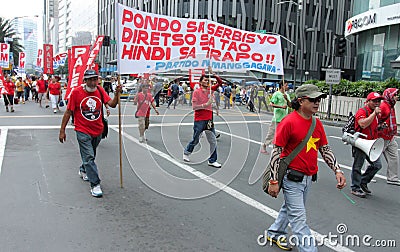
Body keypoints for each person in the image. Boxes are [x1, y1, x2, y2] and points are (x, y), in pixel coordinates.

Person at [266, 84, 346, 251]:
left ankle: (274, 233)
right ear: (301, 101)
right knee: (299, 220)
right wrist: (274, 180)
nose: (317, 103)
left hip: (308, 178)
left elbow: (325, 149)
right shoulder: (288, 122)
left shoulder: (317, 123)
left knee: (290, 208)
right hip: (291, 179)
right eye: (313, 100)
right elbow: (276, 152)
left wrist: (337, 170)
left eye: (319, 100)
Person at [58, 70, 122, 197]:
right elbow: (68, 112)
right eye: (90, 80)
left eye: (95, 79)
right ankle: (95, 184)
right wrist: (62, 131)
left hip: (98, 130)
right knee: (89, 157)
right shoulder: (76, 93)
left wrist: (117, 94)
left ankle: (83, 169)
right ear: (85, 81)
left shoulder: (99, 90)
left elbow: (113, 104)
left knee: (90, 155)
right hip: (82, 130)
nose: (93, 83)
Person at [183, 67, 223, 168]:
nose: (208, 81)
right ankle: (187, 152)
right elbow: (194, 107)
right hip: (199, 120)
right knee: (196, 139)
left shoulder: (211, 90)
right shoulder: (196, 92)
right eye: (205, 80)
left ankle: (212, 160)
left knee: (213, 141)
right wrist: (206, 104)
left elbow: (220, 82)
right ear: (200, 82)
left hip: (209, 120)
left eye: (209, 80)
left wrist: (212, 73)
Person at [351, 92, 383, 198]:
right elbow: (362, 124)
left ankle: (362, 182)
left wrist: (380, 127)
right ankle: (355, 188)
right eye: (374, 101)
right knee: (357, 166)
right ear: (368, 101)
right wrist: (374, 114)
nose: (377, 103)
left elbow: (372, 127)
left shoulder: (376, 113)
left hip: (371, 143)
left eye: (378, 101)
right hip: (360, 142)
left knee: (377, 165)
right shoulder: (362, 111)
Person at [261, 80, 291, 154]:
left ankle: (279, 149)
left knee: (283, 135)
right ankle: (264, 146)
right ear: (282, 86)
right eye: (286, 85)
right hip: (277, 118)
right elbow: (271, 104)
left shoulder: (287, 95)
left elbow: (290, 105)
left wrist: (286, 99)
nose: (287, 87)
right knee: (271, 133)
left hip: (285, 119)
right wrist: (281, 107)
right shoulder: (276, 94)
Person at [379, 88, 400, 186]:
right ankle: (367, 175)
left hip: (390, 136)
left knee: (394, 156)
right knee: (374, 157)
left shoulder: (391, 106)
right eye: (395, 95)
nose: (397, 97)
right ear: (390, 96)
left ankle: (393, 177)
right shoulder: (383, 106)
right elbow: (376, 120)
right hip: (382, 137)